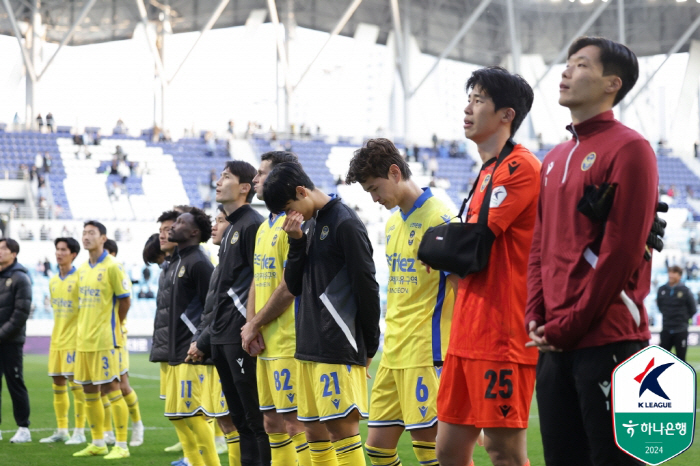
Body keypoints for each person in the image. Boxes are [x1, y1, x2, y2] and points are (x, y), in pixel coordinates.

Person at [525, 37, 658, 466]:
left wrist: (567, 325)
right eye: (567, 63)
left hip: (610, 339)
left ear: (611, 84)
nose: (566, 72)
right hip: (554, 344)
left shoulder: (630, 148)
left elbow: (621, 253)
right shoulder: (552, 158)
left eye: (580, 65)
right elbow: (539, 246)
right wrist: (536, 315)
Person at [433, 66, 539, 466]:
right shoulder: (486, 171)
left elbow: (471, 246)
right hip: (466, 331)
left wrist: (439, 246)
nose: (468, 108)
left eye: (479, 100)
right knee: (448, 451)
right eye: (469, 98)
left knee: (503, 451)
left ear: (506, 114)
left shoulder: (520, 167)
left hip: (502, 335)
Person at [345, 138, 456, 466]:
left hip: (426, 352)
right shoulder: (394, 223)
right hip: (393, 351)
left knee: (434, 449)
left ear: (395, 172)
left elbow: (463, 289)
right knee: (377, 447)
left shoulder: (442, 220)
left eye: (374, 188)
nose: (375, 199)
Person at [263, 162, 381, 465]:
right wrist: (297, 242)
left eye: (290, 207)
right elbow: (292, 284)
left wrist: (370, 343)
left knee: (342, 431)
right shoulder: (309, 225)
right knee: (314, 433)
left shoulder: (345, 223)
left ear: (302, 191)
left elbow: (366, 286)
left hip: (337, 345)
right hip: (308, 344)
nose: (290, 216)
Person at [188, 161, 268, 465]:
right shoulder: (232, 227)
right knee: (239, 420)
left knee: (255, 420)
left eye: (226, 177)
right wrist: (208, 337)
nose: (218, 181)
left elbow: (257, 283)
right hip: (221, 337)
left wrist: (251, 326)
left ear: (245, 187)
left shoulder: (251, 225)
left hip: (240, 337)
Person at [239, 151, 313, 465]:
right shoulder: (263, 227)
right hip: (264, 340)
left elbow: (289, 287)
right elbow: (259, 277)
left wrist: (255, 323)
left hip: (288, 340)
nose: (256, 179)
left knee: (295, 423)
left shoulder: (293, 224)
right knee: (271, 423)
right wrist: (249, 325)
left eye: (262, 173)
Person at [165, 207, 222, 466]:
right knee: (179, 414)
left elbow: (212, 306)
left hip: (193, 351)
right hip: (176, 350)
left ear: (194, 231)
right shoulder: (178, 260)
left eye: (179, 222)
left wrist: (201, 342)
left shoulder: (199, 262)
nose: (172, 226)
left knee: (194, 414)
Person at [72, 221, 132, 459]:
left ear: (103, 238)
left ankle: (122, 445)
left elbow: (125, 301)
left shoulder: (113, 266)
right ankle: (98, 442)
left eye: (91, 233)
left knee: (111, 388)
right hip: (83, 341)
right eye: (84, 233)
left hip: (106, 341)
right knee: (88, 391)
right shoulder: (82, 269)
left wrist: (113, 326)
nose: (86, 237)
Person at [188, 205, 242, 465]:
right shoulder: (218, 263)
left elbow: (225, 308)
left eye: (221, 220)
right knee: (224, 420)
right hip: (213, 343)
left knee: (234, 421)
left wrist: (202, 340)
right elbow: (210, 310)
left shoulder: (226, 265)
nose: (215, 225)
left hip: (226, 344)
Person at [40, 237, 87, 445]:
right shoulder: (53, 280)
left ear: (73, 254)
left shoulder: (80, 278)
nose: (58, 253)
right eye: (57, 249)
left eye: (63, 250)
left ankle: (79, 431)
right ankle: (61, 430)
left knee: (76, 386)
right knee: (57, 383)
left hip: (74, 341)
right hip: (56, 339)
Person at [145, 210, 184, 454]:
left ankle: (206, 448)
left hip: (183, 346)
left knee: (189, 407)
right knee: (175, 408)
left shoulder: (193, 263)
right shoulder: (169, 268)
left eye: (167, 230)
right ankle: (191, 451)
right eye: (160, 230)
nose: (163, 235)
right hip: (168, 344)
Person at [104, 239, 145, 447]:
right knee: (101, 386)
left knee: (122, 385)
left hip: (116, 337)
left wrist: (117, 326)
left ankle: (137, 424)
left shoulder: (115, 271)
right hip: (98, 339)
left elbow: (124, 301)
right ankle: (107, 431)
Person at [0, 238, 32, 443]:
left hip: (11, 341)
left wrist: (1, 334)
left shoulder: (20, 278)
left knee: (15, 383)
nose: (0, 252)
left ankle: (23, 428)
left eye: (4, 249)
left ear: (14, 253)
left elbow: (21, 312)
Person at [657, 266, 697, 362]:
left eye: (674, 273)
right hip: (666, 329)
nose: (671, 275)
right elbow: (660, 306)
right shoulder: (662, 289)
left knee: (681, 359)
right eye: (670, 272)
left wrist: (683, 319)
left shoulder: (685, 290)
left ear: (679, 276)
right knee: (662, 359)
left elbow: (693, 309)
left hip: (680, 330)